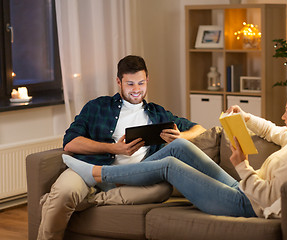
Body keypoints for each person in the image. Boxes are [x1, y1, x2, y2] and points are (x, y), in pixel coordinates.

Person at [64, 80, 287, 219]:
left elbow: (267, 198)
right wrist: (244, 118)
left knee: (171, 167)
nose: (283, 116)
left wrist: (242, 164)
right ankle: (106, 173)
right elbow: (273, 131)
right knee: (181, 146)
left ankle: (99, 174)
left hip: (245, 206)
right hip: (240, 190)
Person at [38, 55, 206, 240]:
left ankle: (87, 200)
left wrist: (181, 136)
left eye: (141, 83)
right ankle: (65, 199)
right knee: (65, 192)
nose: (136, 90)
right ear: (119, 81)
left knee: (162, 189)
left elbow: (199, 129)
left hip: (131, 180)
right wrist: (113, 149)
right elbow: (70, 142)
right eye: (130, 84)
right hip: (88, 169)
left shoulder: (158, 114)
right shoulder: (97, 107)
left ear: (147, 80)